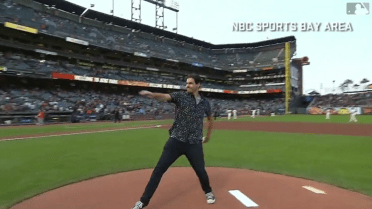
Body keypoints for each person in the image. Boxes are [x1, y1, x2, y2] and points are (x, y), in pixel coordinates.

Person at [131, 74, 216, 209]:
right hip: (175, 141)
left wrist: (208, 136)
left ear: (198, 85)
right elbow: (165, 96)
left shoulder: (205, 103)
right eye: (187, 83)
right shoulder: (181, 96)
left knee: (200, 171)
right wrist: (152, 94)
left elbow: (211, 119)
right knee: (159, 170)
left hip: (194, 143)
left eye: (190, 83)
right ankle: (143, 201)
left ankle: (208, 192)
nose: (187, 85)